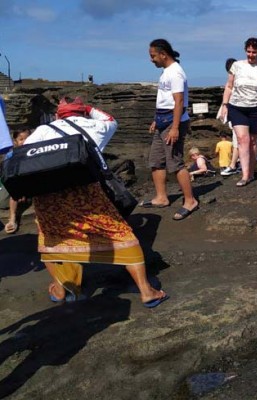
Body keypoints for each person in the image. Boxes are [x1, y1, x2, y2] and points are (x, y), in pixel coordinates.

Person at [23, 97, 168, 307]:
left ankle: (61, 288)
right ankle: (146, 291)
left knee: (54, 238)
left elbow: (24, 159)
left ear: (57, 115)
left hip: (48, 197)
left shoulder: (43, 130)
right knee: (119, 235)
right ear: (82, 113)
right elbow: (110, 119)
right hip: (85, 193)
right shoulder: (96, 126)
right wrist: (88, 108)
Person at [143, 38, 199, 221]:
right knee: (156, 160)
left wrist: (175, 128)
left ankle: (190, 201)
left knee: (175, 162)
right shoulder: (167, 72)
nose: (151, 60)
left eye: (153, 56)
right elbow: (164, 100)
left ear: (163, 54)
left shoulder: (175, 73)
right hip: (162, 120)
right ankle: (161, 197)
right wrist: (156, 120)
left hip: (172, 123)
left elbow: (179, 102)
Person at [218, 37, 257, 187]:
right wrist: (225, 105)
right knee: (243, 140)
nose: (250, 55)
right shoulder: (236, 66)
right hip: (237, 107)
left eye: (254, 52)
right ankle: (245, 175)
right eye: (248, 51)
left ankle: (252, 169)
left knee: (253, 141)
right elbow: (229, 86)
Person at [4, 127, 31, 234]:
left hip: (32, 180)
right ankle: (12, 218)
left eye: (28, 138)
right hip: (18, 180)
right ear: (15, 141)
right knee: (14, 193)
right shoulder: (11, 155)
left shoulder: (35, 151)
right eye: (21, 139)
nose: (25, 142)